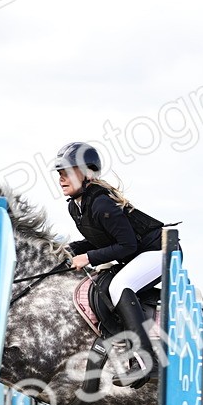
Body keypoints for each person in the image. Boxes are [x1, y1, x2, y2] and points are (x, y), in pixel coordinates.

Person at [54, 141, 165, 387]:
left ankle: (148, 362)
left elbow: (127, 246)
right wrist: (69, 249)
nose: (61, 179)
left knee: (119, 286)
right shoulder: (76, 206)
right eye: (60, 174)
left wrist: (89, 258)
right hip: (139, 253)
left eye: (67, 173)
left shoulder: (101, 202)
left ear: (87, 173)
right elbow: (97, 239)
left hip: (160, 252)